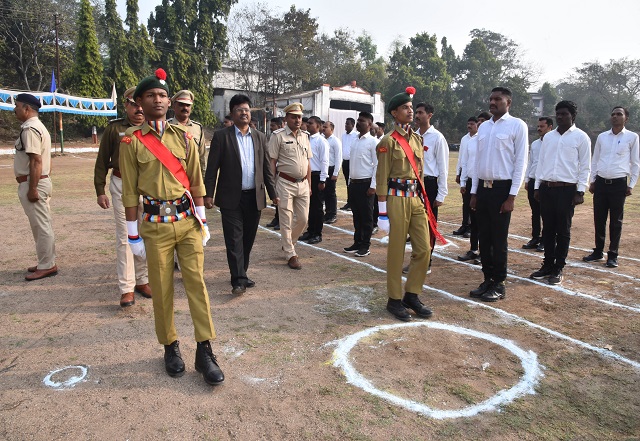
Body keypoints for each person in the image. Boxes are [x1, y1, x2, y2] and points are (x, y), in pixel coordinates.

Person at [119, 68, 223, 386]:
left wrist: (202, 221)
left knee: (197, 285)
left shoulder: (185, 138)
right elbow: (129, 193)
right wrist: (132, 235)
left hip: (187, 222)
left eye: (163, 95)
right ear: (139, 102)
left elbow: (196, 182)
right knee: (162, 290)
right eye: (151, 95)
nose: (158, 100)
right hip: (155, 227)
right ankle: (170, 346)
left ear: (169, 101)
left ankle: (204, 350)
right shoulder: (131, 142)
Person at [204, 94, 276, 295]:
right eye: (239, 110)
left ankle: (241, 272)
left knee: (247, 239)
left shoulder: (260, 137)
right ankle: (238, 280)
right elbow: (212, 168)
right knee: (234, 238)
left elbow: (266, 169)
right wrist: (208, 194)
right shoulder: (222, 136)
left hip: (254, 197)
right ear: (232, 113)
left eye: (246, 110)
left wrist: (273, 193)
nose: (244, 113)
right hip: (230, 198)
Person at [376, 86, 437, 321]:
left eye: (411, 107)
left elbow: (419, 173)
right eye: (405, 108)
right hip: (396, 199)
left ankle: (412, 295)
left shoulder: (417, 139)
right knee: (396, 251)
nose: (410, 111)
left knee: (424, 249)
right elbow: (382, 177)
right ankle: (394, 299)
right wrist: (382, 213)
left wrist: (422, 198)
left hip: (415, 199)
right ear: (394, 113)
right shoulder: (388, 141)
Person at [94, 86, 152, 306]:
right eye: (134, 105)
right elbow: (102, 161)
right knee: (125, 236)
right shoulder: (115, 129)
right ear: (126, 105)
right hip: (121, 184)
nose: (139, 109)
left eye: (141, 104)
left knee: (145, 233)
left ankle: (142, 279)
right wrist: (100, 190)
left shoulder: (153, 128)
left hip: (147, 186)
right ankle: (127, 287)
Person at [469, 87, 528, 302]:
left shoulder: (517, 125)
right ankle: (487, 279)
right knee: (484, 238)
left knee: (498, 239)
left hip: (502, 190)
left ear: (508, 102)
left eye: (497, 99)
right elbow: (478, 161)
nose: (492, 102)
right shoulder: (484, 127)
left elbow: (521, 162)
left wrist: (512, 196)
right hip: (483, 189)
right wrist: (474, 192)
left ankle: (499, 283)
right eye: (491, 99)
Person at [531, 100, 591, 285]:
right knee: (548, 229)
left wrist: (580, 191)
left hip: (567, 190)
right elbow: (541, 163)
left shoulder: (581, 137)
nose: (560, 117)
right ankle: (548, 264)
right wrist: (537, 186)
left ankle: (558, 267)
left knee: (563, 230)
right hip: (547, 188)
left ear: (573, 116)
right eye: (558, 114)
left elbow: (585, 166)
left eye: (564, 114)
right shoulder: (549, 137)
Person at [584, 106, 640, 268]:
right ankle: (598, 251)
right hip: (601, 183)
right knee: (599, 218)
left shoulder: (632, 137)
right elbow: (595, 160)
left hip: (619, 184)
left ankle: (613, 255)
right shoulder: (602, 137)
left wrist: (631, 184)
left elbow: (635, 163)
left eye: (619, 114)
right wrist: (593, 180)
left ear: (626, 118)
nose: (615, 116)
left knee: (616, 221)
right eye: (613, 114)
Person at [13, 93, 57, 281]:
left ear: (27, 108)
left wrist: (33, 188)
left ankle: (47, 265)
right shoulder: (38, 127)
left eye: (17, 106)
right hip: (40, 180)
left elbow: (36, 160)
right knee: (41, 224)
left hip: (34, 182)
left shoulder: (30, 129)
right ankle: (45, 261)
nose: (14, 109)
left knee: (41, 226)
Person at [268, 103, 312, 270]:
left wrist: (309, 185)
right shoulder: (277, 136)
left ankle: (289, 243)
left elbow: (308, 163)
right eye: (294, 117)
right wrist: (272, 188)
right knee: (286, 220)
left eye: (299, 117)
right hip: (285, 183)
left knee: (303, 219)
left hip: (303, 184)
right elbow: (272, 162)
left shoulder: (305, 136)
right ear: (286, 118)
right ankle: (290, 254)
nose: (297, 120)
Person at [344, 111, 378, 257]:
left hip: (366, 184)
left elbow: (377, 165)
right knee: (356, 215)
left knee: (366, 217)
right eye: (358, 120)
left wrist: (373, 186)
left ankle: (365, 245)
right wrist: (349, 181)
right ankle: (357, 242)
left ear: (369, 124)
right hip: (354, 184)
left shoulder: (373, 142)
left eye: (362, 121)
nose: (358, 123)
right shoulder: (355, 140)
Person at [523, 117, 553, 251]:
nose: (539, 129)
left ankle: (545, 240)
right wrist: (527, 179)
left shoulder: (553, 143)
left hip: (545, 182)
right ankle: (535, 237)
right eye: (538, 126)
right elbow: (530, 162)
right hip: (533, 180)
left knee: (546, 213)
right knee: (535, 212)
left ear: (550, 127)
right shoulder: (535, 144)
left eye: (542, 126)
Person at [299, 116, 329, 244]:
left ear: (318, 126)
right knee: (309, 206)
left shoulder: (322, 141)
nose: (307, 125)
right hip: (307, 175)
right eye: (307, 123)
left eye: (310, 123)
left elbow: (324, 161)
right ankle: (310, 231)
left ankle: (317, 233)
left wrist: (322, 180)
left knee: (317, 207)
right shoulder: (306, 139)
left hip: (316, 176)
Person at [457, 116, 480, 261]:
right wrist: (463, 181)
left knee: (483, 219)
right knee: (471, 212)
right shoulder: (469, 141)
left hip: (484, 183)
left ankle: (486, 251)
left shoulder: (486, 141)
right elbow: (463, 161)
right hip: (471, 181)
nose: (470, 126)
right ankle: (473, 248)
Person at [168, 90, 206, 177]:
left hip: (193, 177)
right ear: (174, 106)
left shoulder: (197, 128)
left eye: (188, 105)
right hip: (172, 178)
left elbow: (202, 157)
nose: (185, 108)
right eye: (181, 105)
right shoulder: (166, 126)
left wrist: (203, 178)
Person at [265, 117, 285, 230]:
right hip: (275, 171)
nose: (271, 128)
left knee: (282, 198)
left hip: (282, 172)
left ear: (280, 125)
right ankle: (277, 218)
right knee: (277, 195)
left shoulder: (284, 137)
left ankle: (281, 220)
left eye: (273, 126)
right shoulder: (274, 137)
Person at [322, 121, 342, 224]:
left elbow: (338, 158)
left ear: (332, 129)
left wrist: (335, 173)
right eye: (323, 127)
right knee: (324, 193)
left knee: (331, 193)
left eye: (326, 127)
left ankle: (333, 214)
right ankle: (327, 213)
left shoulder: (335, 141)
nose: (323, 128)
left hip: (331, 169)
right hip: (323, 169)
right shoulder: (322, 139)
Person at [340, 117, 358, 210]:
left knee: (352, 183)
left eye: (348, 124)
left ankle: (353, 202)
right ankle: (349, 202)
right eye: (345, 124)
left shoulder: (356, 135)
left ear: (353, 125)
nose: (346, 126)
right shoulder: (343, 136)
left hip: (352, 162)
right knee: (347, 182)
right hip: (345, 161)